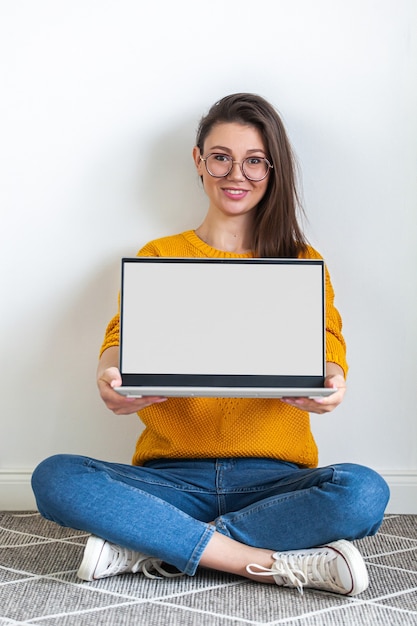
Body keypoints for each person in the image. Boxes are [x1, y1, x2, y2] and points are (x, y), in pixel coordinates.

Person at [32, 93, 389, 596]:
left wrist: (332, 381)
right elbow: (120, 339)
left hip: (274, 482)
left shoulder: (301, 259)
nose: (236, 174)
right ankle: (258, 559)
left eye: (254, 161)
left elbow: (330, 346)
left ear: (273, 168)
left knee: (364, 491)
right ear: (199, 160)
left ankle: (150, 548)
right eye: (221, 157)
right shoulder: (160, 254)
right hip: (170, 483)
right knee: (55, 477)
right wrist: (108, 373)